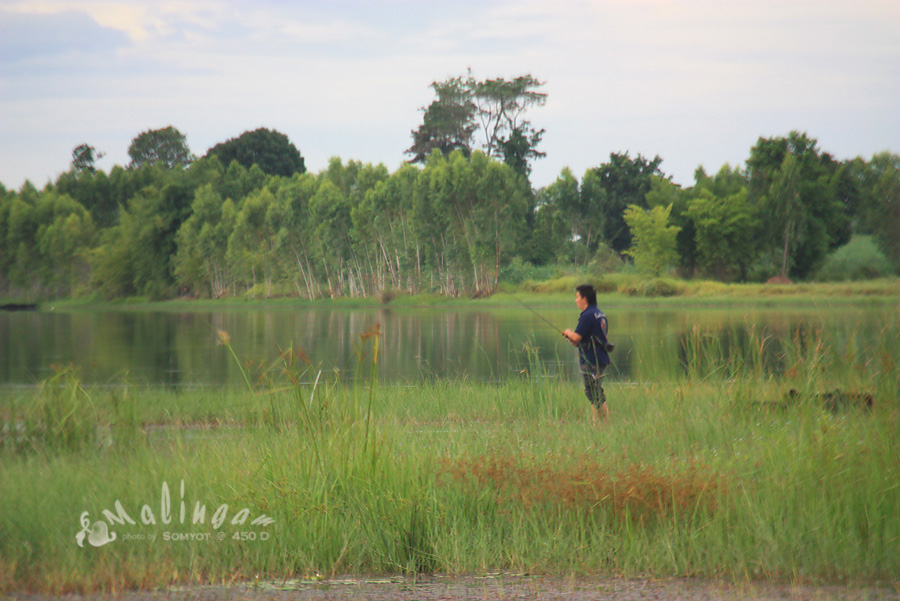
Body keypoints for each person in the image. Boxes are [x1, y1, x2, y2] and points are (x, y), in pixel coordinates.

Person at [563, 284, 611, 423]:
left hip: (591, 359)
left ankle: (604, 423)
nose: (576, 300)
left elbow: (576, 337)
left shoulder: (587, 315)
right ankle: (597, 422)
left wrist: (568, 332)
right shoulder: (599, 314)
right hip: (600, 357)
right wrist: (573, 339)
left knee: (594, 392)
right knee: (594, 391)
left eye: (577, 297)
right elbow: (583, 340)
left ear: (584, 299)